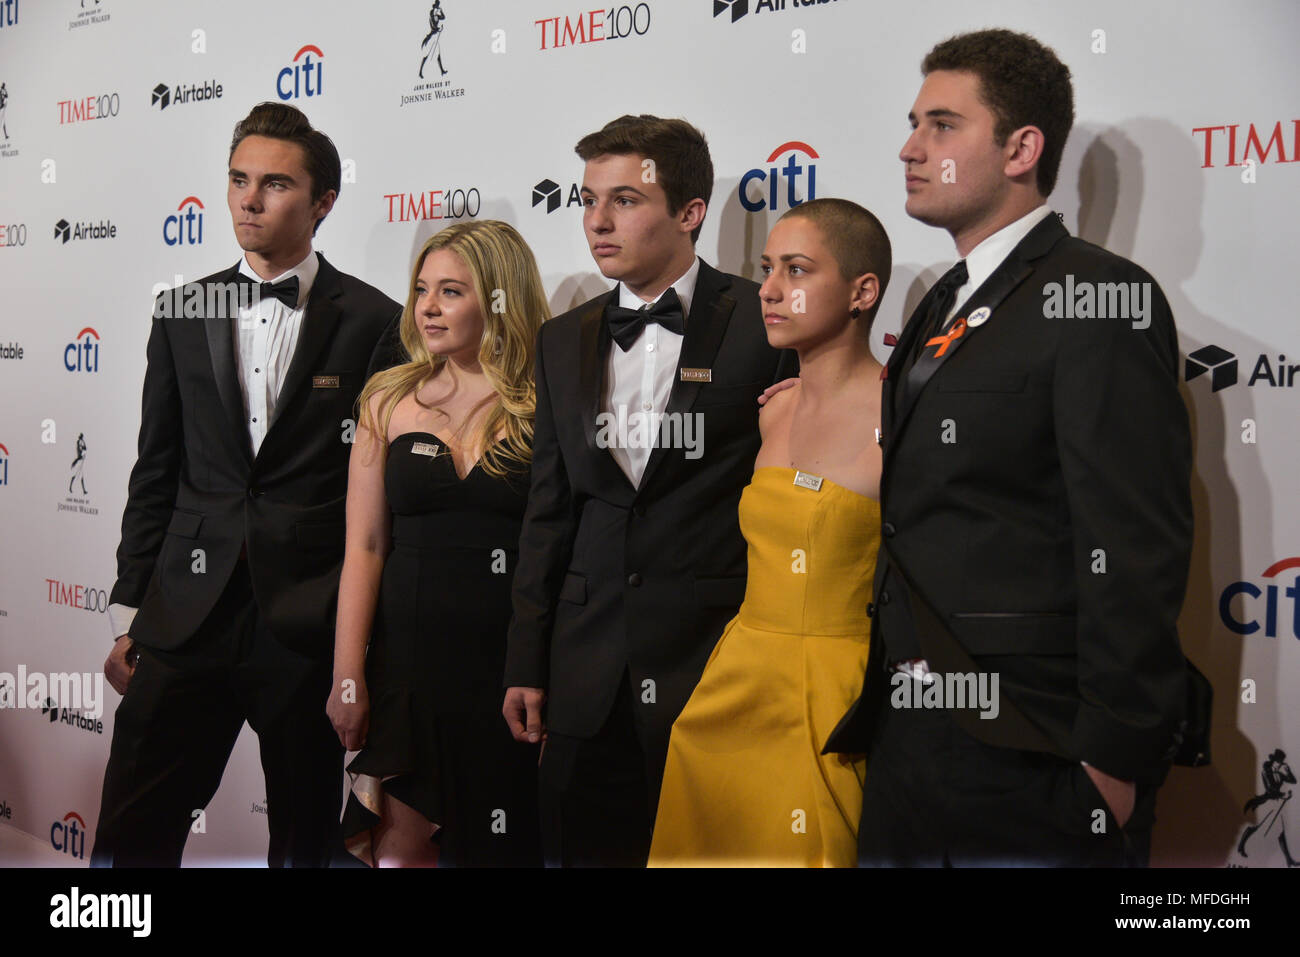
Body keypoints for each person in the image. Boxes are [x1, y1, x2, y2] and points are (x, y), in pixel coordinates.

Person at [821, 28, 1194, 867]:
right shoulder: (939, 298)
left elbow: (1133, 544)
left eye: (943, 126)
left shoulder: (1098, 296)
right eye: (914, 123)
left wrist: (1113, 762)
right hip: (910, 746)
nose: (910, 148)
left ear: (1022, 147)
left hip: (1036, 750)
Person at [92, 102, 401, 868]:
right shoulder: (181, 309)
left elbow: (375, 503)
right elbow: (155, 466)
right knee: (133, 825)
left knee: (302, 840)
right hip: (183, 613)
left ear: (323, 201)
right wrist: (129, 606)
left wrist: (356, 650)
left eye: (274, 184)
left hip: (303, 621)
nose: (248, 200)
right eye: (237, 180)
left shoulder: (375, 321)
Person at [503, 114, 796, 867]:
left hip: (714, 665)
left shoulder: (764, 323)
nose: (597, 221)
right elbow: (548, 510)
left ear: (690, 213)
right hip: (582, 671)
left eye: (625, 200)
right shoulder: (560, 337)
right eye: (588, 198)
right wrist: (527, 659)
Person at [649, 198, 891, 867]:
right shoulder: (773, 412)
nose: (772, 291)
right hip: (734, 687)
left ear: (862, 291)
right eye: (766, 269)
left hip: (835, 697)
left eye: (798, 269)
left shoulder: (904, 414)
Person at [329, 221, 549, 867]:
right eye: (421, 289)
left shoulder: (546, 402)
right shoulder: (387, 398)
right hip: (407, 667)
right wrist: (347, 674)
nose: (426, 306)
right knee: (402, 848)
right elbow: (365, 545)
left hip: (510, 669)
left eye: (450, 290)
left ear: (500, 298)